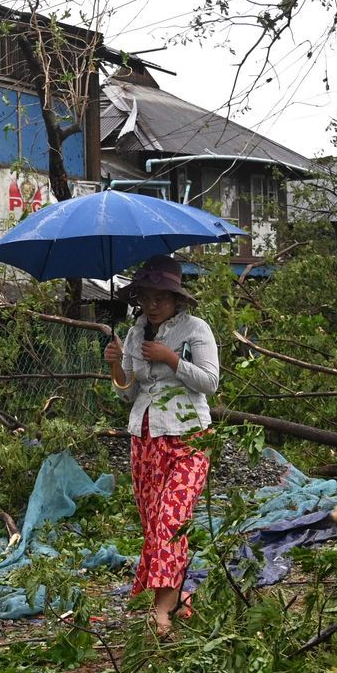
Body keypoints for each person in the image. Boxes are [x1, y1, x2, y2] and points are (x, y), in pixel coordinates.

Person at [103, 255, 219, 638]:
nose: (152, 305)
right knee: (155, 526)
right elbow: (130, 393)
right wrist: (117, 367)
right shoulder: (136, 334)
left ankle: (161, 612)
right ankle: (178, 595)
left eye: (161, 298)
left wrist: (172, 359)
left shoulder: (194, 329)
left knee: (172, 521)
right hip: (145, 438)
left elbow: (210, 382)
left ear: (176, 299)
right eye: (146, 297)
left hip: (188, 437)